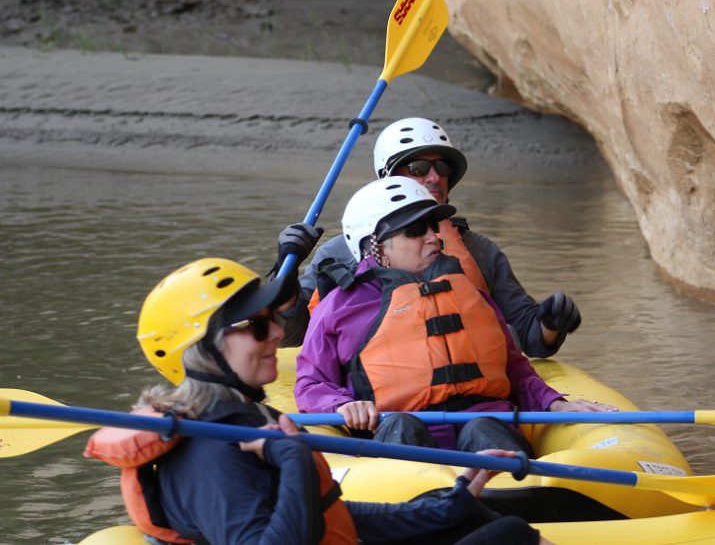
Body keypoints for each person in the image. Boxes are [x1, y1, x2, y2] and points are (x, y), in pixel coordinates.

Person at [85, 230, 549, 545]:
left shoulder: (241, 422)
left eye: (272, 318)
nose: (274, 333)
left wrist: (450, 503)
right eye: (254, 325)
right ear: (198, 352)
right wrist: (291, 455)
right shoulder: (209, 448)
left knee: (497, 527)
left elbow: (334, 515)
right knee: (509, 537)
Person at [295, 177, 614, 454]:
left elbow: (516, 371)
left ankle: (510, 492)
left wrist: (553, 403)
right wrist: (341, 405)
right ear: (376, 246)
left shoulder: (469, 293)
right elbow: (310, 383)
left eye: (433, 226)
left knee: (483, 428)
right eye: (416, 230)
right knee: (404, 428)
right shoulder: (339, 306)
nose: (434, 236)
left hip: (487, 428)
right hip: (399, 435)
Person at [286, 117, 582, 359]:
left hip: (470, 397)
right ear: (387, 177)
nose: (434, 178)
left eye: (443, 168)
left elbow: (531, 337)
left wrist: (551, 322)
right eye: (418, 168)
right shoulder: (339, 254)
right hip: (373, 399)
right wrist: (285, 276)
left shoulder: (479, 251)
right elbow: (293, 336)